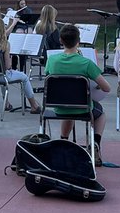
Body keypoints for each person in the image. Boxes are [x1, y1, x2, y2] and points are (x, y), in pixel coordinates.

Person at [44, 24, 115, 165]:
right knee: (100, 114)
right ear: (78, 41)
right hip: (82, 108)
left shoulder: (52, 60)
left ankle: (63, 141)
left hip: (58, 106)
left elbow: (48, 78)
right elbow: (107, 88)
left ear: (61, 41)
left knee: (67, 106)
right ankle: (95, 144)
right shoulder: (86, 63)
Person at [0, 16, 41, 113]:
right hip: (1, 76)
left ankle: (7, 104)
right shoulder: (5, 44)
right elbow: (8, 67)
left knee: (0, 73)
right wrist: (10, 59)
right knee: (24, 77)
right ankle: (34, 105)